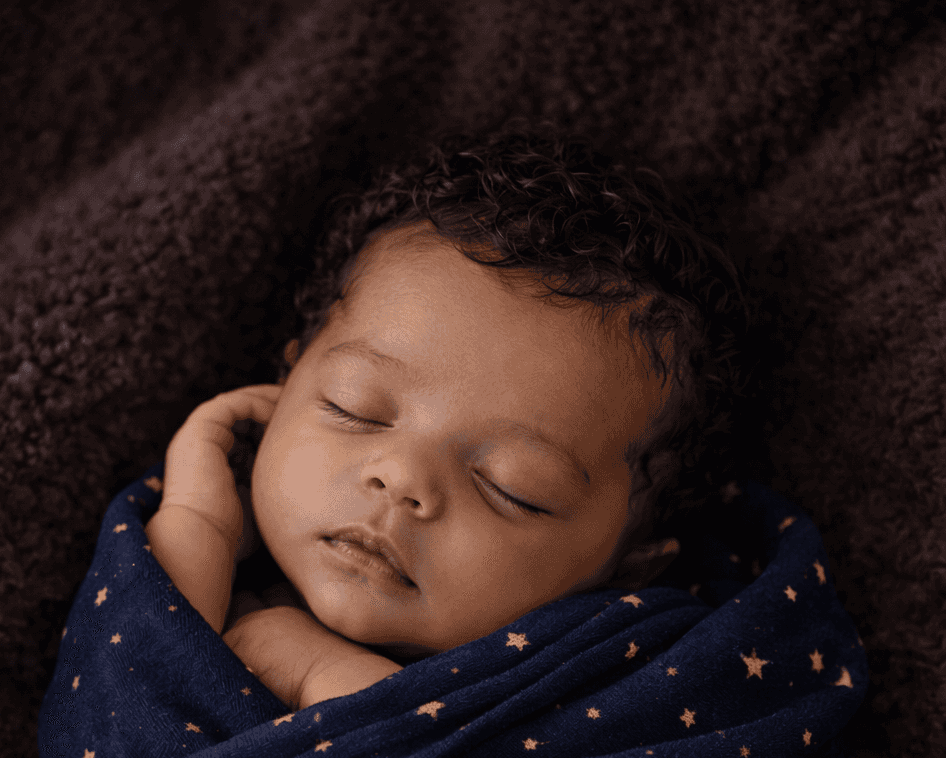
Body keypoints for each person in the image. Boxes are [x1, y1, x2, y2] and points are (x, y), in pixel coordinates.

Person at [147, 123, 756, 708]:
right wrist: (198, 523)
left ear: (626, 570)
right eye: (352, 408)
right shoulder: (196, 539)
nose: (402, 478)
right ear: (284, 384)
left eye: (511, 488)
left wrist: (332, 680)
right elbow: (111, 726)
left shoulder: (641, 688)